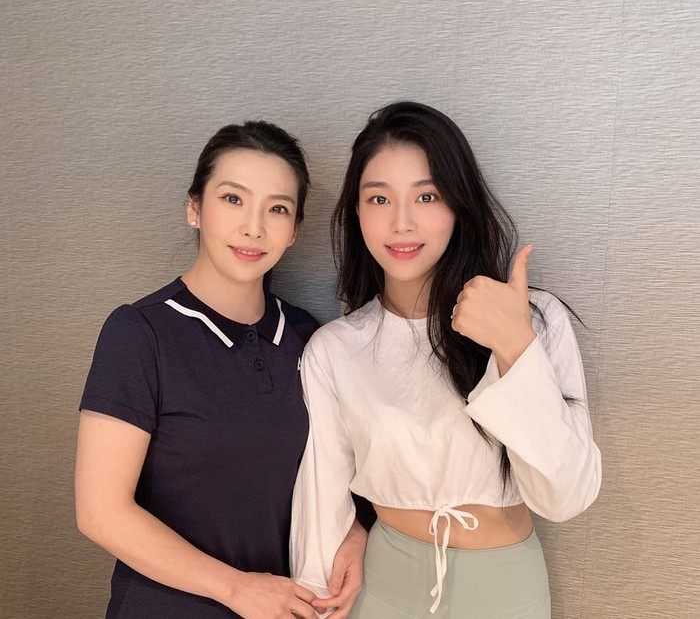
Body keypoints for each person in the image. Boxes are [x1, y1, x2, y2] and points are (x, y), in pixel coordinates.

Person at [290, 102, 602, 619]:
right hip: (382, 586)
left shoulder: (533, 320)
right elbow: (321, 501)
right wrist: (316, 598)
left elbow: (565, 497)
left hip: (505, 591)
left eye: (427, 195)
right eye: (379, 198)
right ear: (356, 212)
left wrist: (514, 346)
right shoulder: (335, 348)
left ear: (459, 203)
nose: (401, 222)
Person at [75, 121, 366, 618]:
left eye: (277, 208)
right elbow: (100, 512)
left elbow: (331, 471)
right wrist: (236, 589)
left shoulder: (309, 337)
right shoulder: (140, 333)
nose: (254, 227)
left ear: (294, 230)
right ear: (195, 208)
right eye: (233, 199)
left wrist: (354, 535)